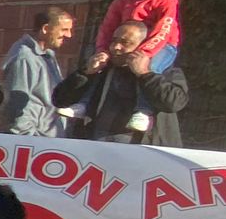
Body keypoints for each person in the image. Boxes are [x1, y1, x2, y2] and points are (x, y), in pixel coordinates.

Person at [52, 20, 189, 145]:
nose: (116, 47)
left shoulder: (163, 70)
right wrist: (85, 73)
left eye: (125, 43)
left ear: (144, 46)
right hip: (95, 149)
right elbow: (59, 100)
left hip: (143, 155)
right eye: (114, 41)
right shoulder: (101, 68)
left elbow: (174, 102)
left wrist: (146, 75)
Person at [94, 0, 184, 75]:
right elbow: (107, 28)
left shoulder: (167, 1)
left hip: (162, 46)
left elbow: (163, 30)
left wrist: (144, 53)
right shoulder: (122, 2)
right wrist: (103, 51)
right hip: (128, 46)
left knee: (147, 70)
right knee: (101, 68)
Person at [1, 6, 75, 136]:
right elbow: (16, 105)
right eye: (64, 30)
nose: (69, 35)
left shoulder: (48, 56)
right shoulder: (24, 57)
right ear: (45, 28)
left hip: (47, 142)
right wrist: (31, 139)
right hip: (34, 144)